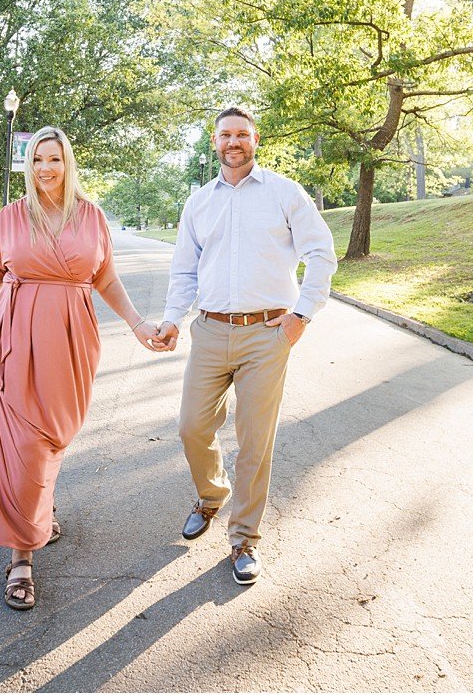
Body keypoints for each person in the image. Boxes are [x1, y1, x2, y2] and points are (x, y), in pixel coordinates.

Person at [0, 125, 171, 611]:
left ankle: (40, 505)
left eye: (53, 159)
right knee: (25, 440)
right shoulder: (12, 216)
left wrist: (138, 323)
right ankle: (22, 558)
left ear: (68, 162)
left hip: (73, 339)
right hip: (13, 336)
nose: (44, 169)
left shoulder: (93, 217)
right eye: (36, 160)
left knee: (55, 434)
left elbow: (106, 278)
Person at [157, 106, 337, 586]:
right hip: (211, 331)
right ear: (213, 142)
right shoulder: (198, 203)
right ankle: (211, 494)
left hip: (266, 334)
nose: (233, 141)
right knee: (192, 426)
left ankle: (244, 539)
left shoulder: (285, 193)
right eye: (224, 135)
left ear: (255, 139)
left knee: (255, 441)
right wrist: (174, 319)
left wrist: (301, 314)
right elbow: (184, 271)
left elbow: (321, 252)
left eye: (241, 134)